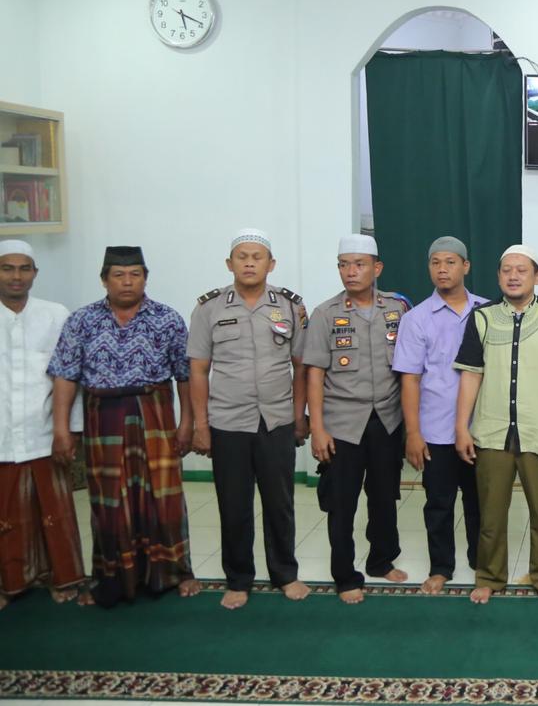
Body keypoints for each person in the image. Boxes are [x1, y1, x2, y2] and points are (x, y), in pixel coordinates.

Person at [48, 246, 200, 607]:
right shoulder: (82, 321)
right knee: (108, 500)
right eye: (119, 275)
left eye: (135, 274)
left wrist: (187, 423)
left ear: (145, 277)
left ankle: (175, 573)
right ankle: (112, 577)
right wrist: (61, 429)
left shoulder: (167, 318)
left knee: (163, 497)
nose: (127, 281)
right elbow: (66, 376)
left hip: (155, 412)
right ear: (104, 280)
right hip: (104, 415)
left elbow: (185, 376)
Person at [187, 229, 310, 609]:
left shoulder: (290, 307)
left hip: (276, 420)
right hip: (228, 422)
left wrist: (299, 415)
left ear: (271, 264)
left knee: (280, 503)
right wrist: (200, 425)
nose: (250, 262)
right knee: (233, 505)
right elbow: (198, 370)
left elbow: (301, 365)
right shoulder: (209, 308)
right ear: (230, 264)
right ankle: (238, 579)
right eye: (242, 256)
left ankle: (285, 574)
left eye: (258, 256)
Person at [454, 244, 538, 607]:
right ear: (498, 276)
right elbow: (471, 376)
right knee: (490, 513)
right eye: (506, 270)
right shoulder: (483, 317)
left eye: (521, 270)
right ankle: (490, 577)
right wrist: (462, 426)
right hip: (492, 432)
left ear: (537, 276)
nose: (513, 276)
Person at [303, 234, 410, 605]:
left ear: (376, 268)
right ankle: (345, 575)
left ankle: (382, 560)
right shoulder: (325, 314)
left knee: (384, 497)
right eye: (344, 265)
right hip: (342, 423)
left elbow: (409, 371)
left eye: (359, 264)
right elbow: (313, 374)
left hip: (387, 420)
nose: (351, 272)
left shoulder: (397, 310)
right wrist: (317, 428)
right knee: (341, 503)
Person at [394, 236, 486, 594]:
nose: (442, 269)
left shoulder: (487, 312)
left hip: (481, 429)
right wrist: (412, 433)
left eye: (450, 262)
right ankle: (441, 567)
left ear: (466, 266)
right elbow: (410, 379)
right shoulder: (416, 319)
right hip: (436, 430)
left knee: (481, 503)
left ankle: (482, 564)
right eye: (435, 262)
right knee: (439, 503)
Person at [0, 240, 86, 610]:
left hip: (44, 428)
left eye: (24, 269)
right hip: (2, 433)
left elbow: (71, 378)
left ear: (35, 273)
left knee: (54, 512)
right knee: (4, 514)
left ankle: (62, 578)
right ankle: (9, 583)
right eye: (7, 268)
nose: (16, 276)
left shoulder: (55, 315)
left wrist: (69, 429)